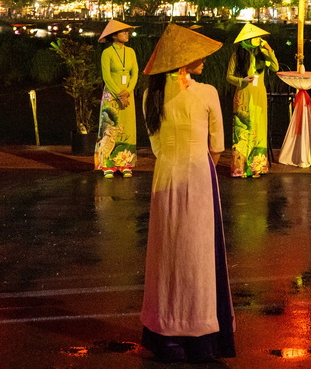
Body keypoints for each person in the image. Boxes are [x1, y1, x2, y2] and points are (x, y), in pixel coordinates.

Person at [140, 23, 234, 363]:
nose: (205, 60)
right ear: (183, 60)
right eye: (199, 55)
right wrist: (202, 162)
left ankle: (165, 333)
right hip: (197, 174)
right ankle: (199, 335)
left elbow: (155, 145)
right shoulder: (206, 92)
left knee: (166, 254)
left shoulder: (150, 94)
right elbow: (218, 145)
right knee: (198, 255)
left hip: (165, 174)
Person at [227, 22, 279, 178]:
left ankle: (257, 166)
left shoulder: (262, 55)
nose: (258, 40)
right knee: (243, 130)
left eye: (259, 37)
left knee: (259, 129)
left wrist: (269, 49)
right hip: (243, 95)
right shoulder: (237, 56)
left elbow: (275, 67)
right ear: (247, 39)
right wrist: (242, 80)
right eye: (255, 37)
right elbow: (229, 77)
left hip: (259, 96)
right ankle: (240, 167)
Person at [95, 20, 139, 179]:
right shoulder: (107, 53)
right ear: (114, 35)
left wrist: (128, 91)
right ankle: (108, 164)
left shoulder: (131, 52)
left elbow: (135, 73)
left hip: (128, 95)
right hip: (112, 96)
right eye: (123, 32)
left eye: (127, 31)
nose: (127, 34)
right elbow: (106, 76)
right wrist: (119, 94)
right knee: (110, 128)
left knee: (127, 128)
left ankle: (125, 163)